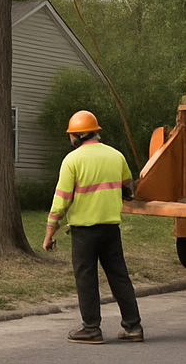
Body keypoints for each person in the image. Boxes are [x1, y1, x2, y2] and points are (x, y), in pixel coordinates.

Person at [43, 110, 143, 344]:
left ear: (78, 135)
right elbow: (128, 188)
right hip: (110, 229)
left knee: (86, 279)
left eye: (71, 135)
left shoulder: (72, 160)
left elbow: (61, 200)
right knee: (119, 277)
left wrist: (50, 232)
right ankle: (133, 327)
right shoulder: (116, 156)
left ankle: (91, 329)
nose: (70, 140)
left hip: (84, 231)